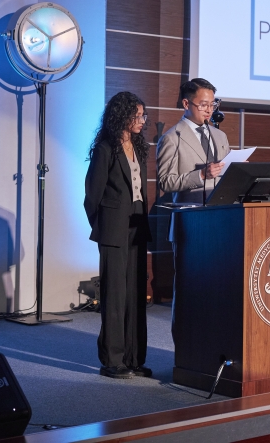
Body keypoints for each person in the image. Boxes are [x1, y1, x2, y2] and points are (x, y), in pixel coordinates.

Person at [84, 91, 153, 379]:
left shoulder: (139, 146)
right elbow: (92, 194)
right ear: (121, 116)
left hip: (137, 225)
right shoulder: (105, 147)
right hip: (113, 227)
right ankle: (113, 360)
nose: (141, 120)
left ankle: (134, 358)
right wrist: (101, 226)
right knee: (115, 295)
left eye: (142, 115)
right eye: (136, 115)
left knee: (136, 294)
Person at [156, 78, 231, 203]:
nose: (209, 110)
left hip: (222, 209)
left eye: (212, 104)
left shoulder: (220, 136)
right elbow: (165, 182)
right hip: (191, 214)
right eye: (203, 105)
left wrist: (236, 169)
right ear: (186, 104)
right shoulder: (172, 138)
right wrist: (201, 175)